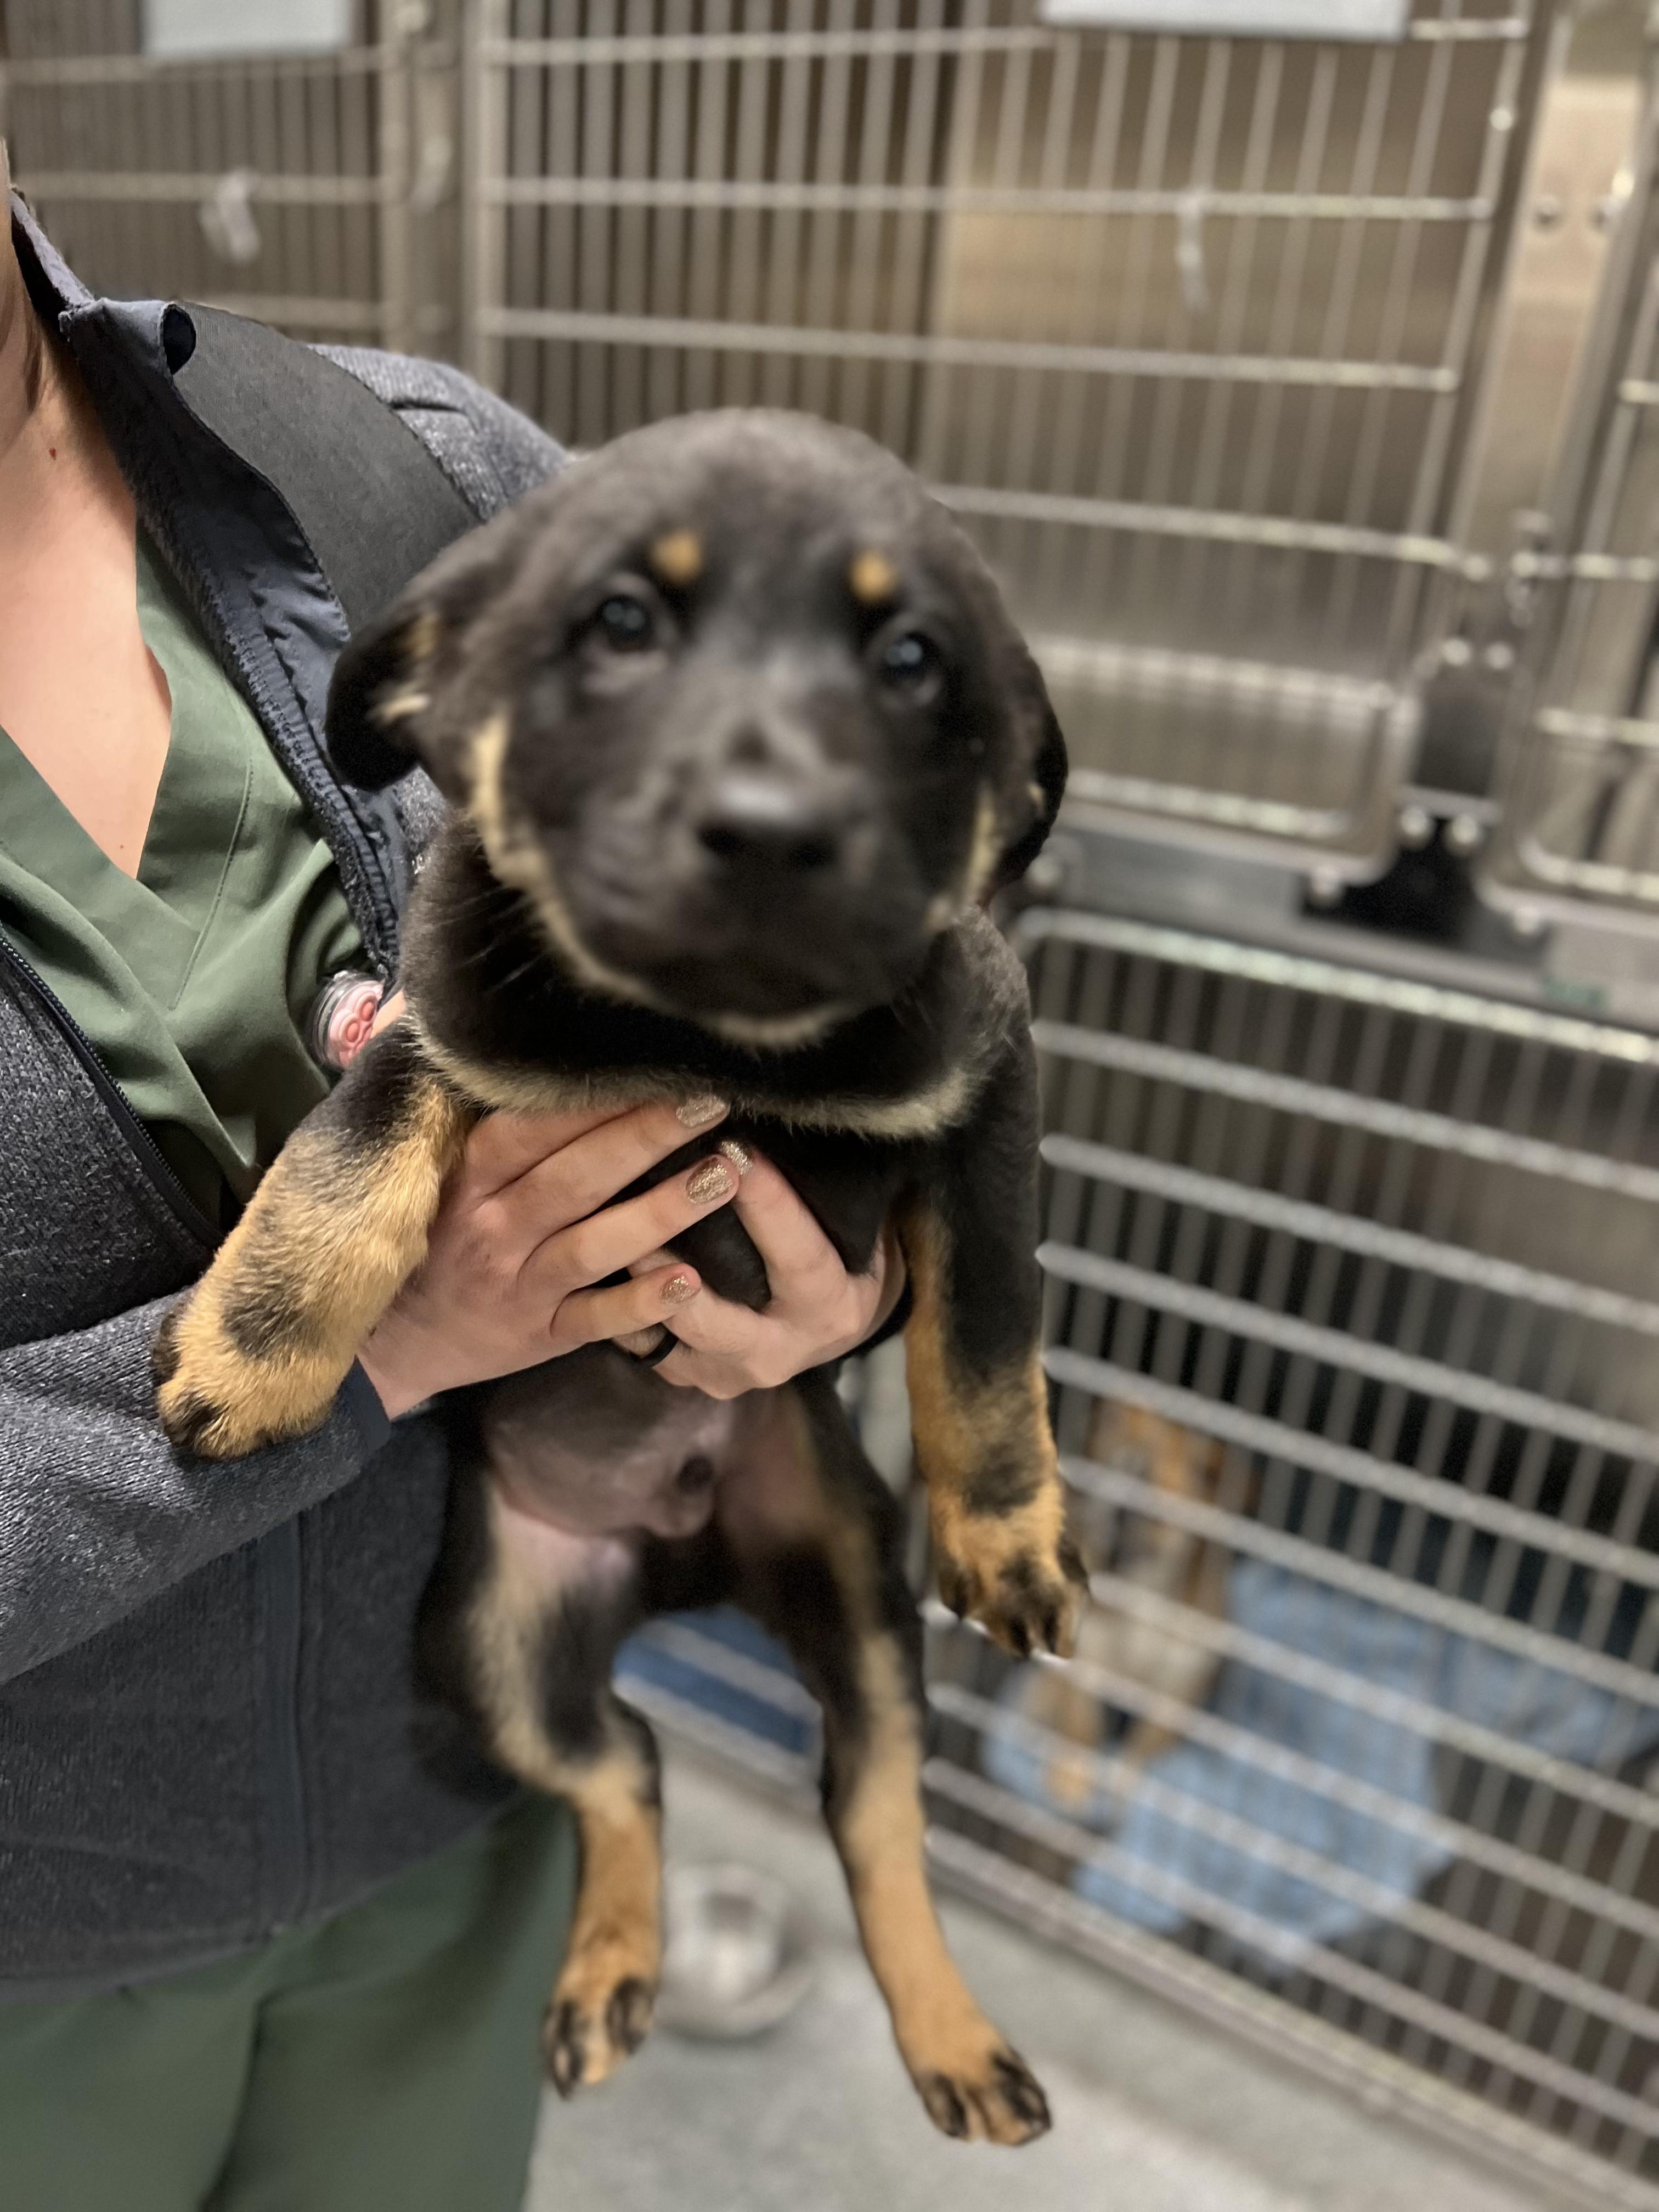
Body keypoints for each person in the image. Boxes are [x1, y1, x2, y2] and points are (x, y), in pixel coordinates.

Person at [0, 168, 900, 2212]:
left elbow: (875, 875)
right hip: (31, 1960)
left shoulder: (405, 475)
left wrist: (846, 1265)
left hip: (462, 1826)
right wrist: (384, 1349)